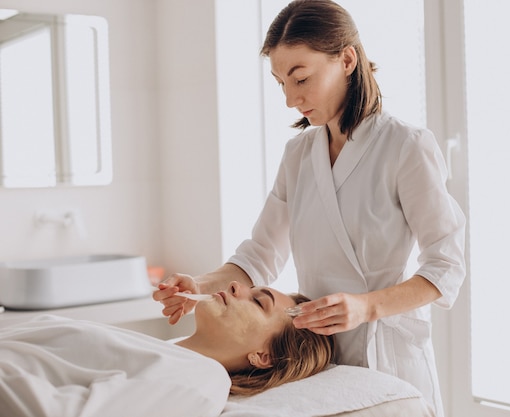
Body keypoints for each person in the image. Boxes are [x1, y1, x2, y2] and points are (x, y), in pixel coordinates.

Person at [153, 1, 465, 415]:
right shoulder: (299, 154)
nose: (289, 99)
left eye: (300, 78)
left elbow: (446, 267)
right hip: (315, 356)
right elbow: (258, 255)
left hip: (384, 352)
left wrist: (365, 306)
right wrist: (201, 284)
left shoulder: (405, 147)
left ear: (347, 60)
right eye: (281, 82)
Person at [0, 282, 335, 417]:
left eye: (258, 301)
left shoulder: (201, 381)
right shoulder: (168, 354)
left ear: (263, 356)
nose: (236, 286)